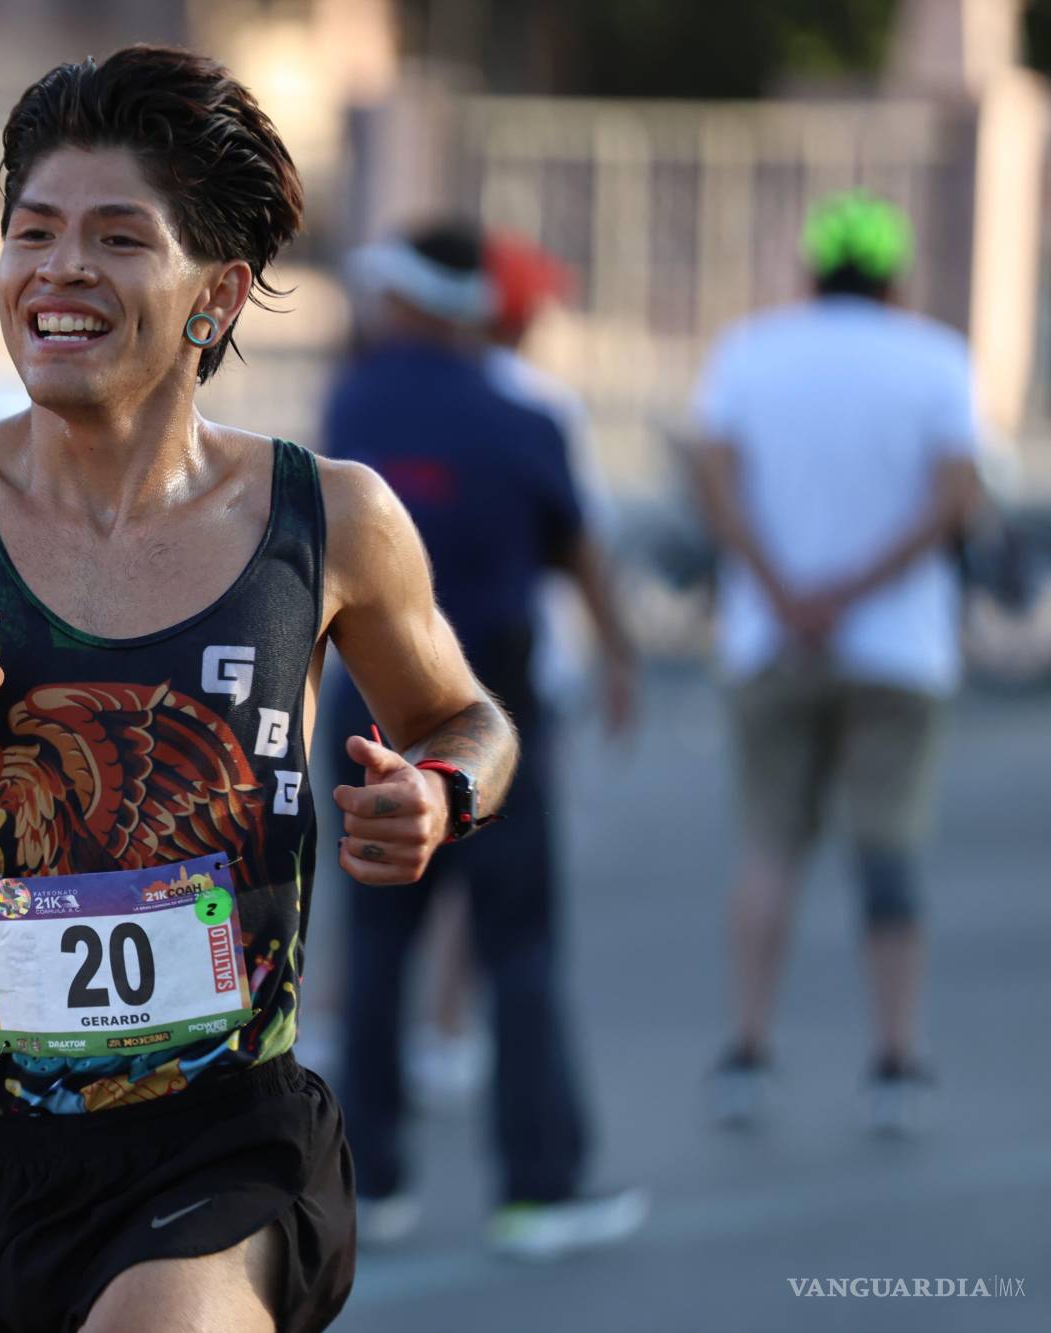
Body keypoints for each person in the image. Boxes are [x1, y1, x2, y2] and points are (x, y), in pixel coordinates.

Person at [0, 46, 521, 1332]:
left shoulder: (328, 518)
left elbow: (467, 719)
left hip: (234, 1142)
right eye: (31, 232)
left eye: (116, 238)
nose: (58, 269)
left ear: (213, 296)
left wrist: (443, 794)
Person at [323, 222, 646, 1259]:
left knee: (377, 946)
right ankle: (537, 1190)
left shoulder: (354, 403)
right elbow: (577, 549)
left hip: (368, 703)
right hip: (489, 712)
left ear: (409, 299)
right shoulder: (523, 417)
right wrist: (619, 655)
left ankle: (368, 1182)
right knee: (519, 947)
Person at [689, 190, 982, 1136]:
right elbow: (958, 497)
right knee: (888, 850)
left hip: (770, 638)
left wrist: (785, 590)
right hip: (898, 649)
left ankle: (748, 1050)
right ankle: (895, 1060)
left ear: (813, 270)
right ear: (895, 276)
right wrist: (853, 592)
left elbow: (713, 482)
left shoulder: (749, 352)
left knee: (770, 847)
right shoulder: (937, 359)